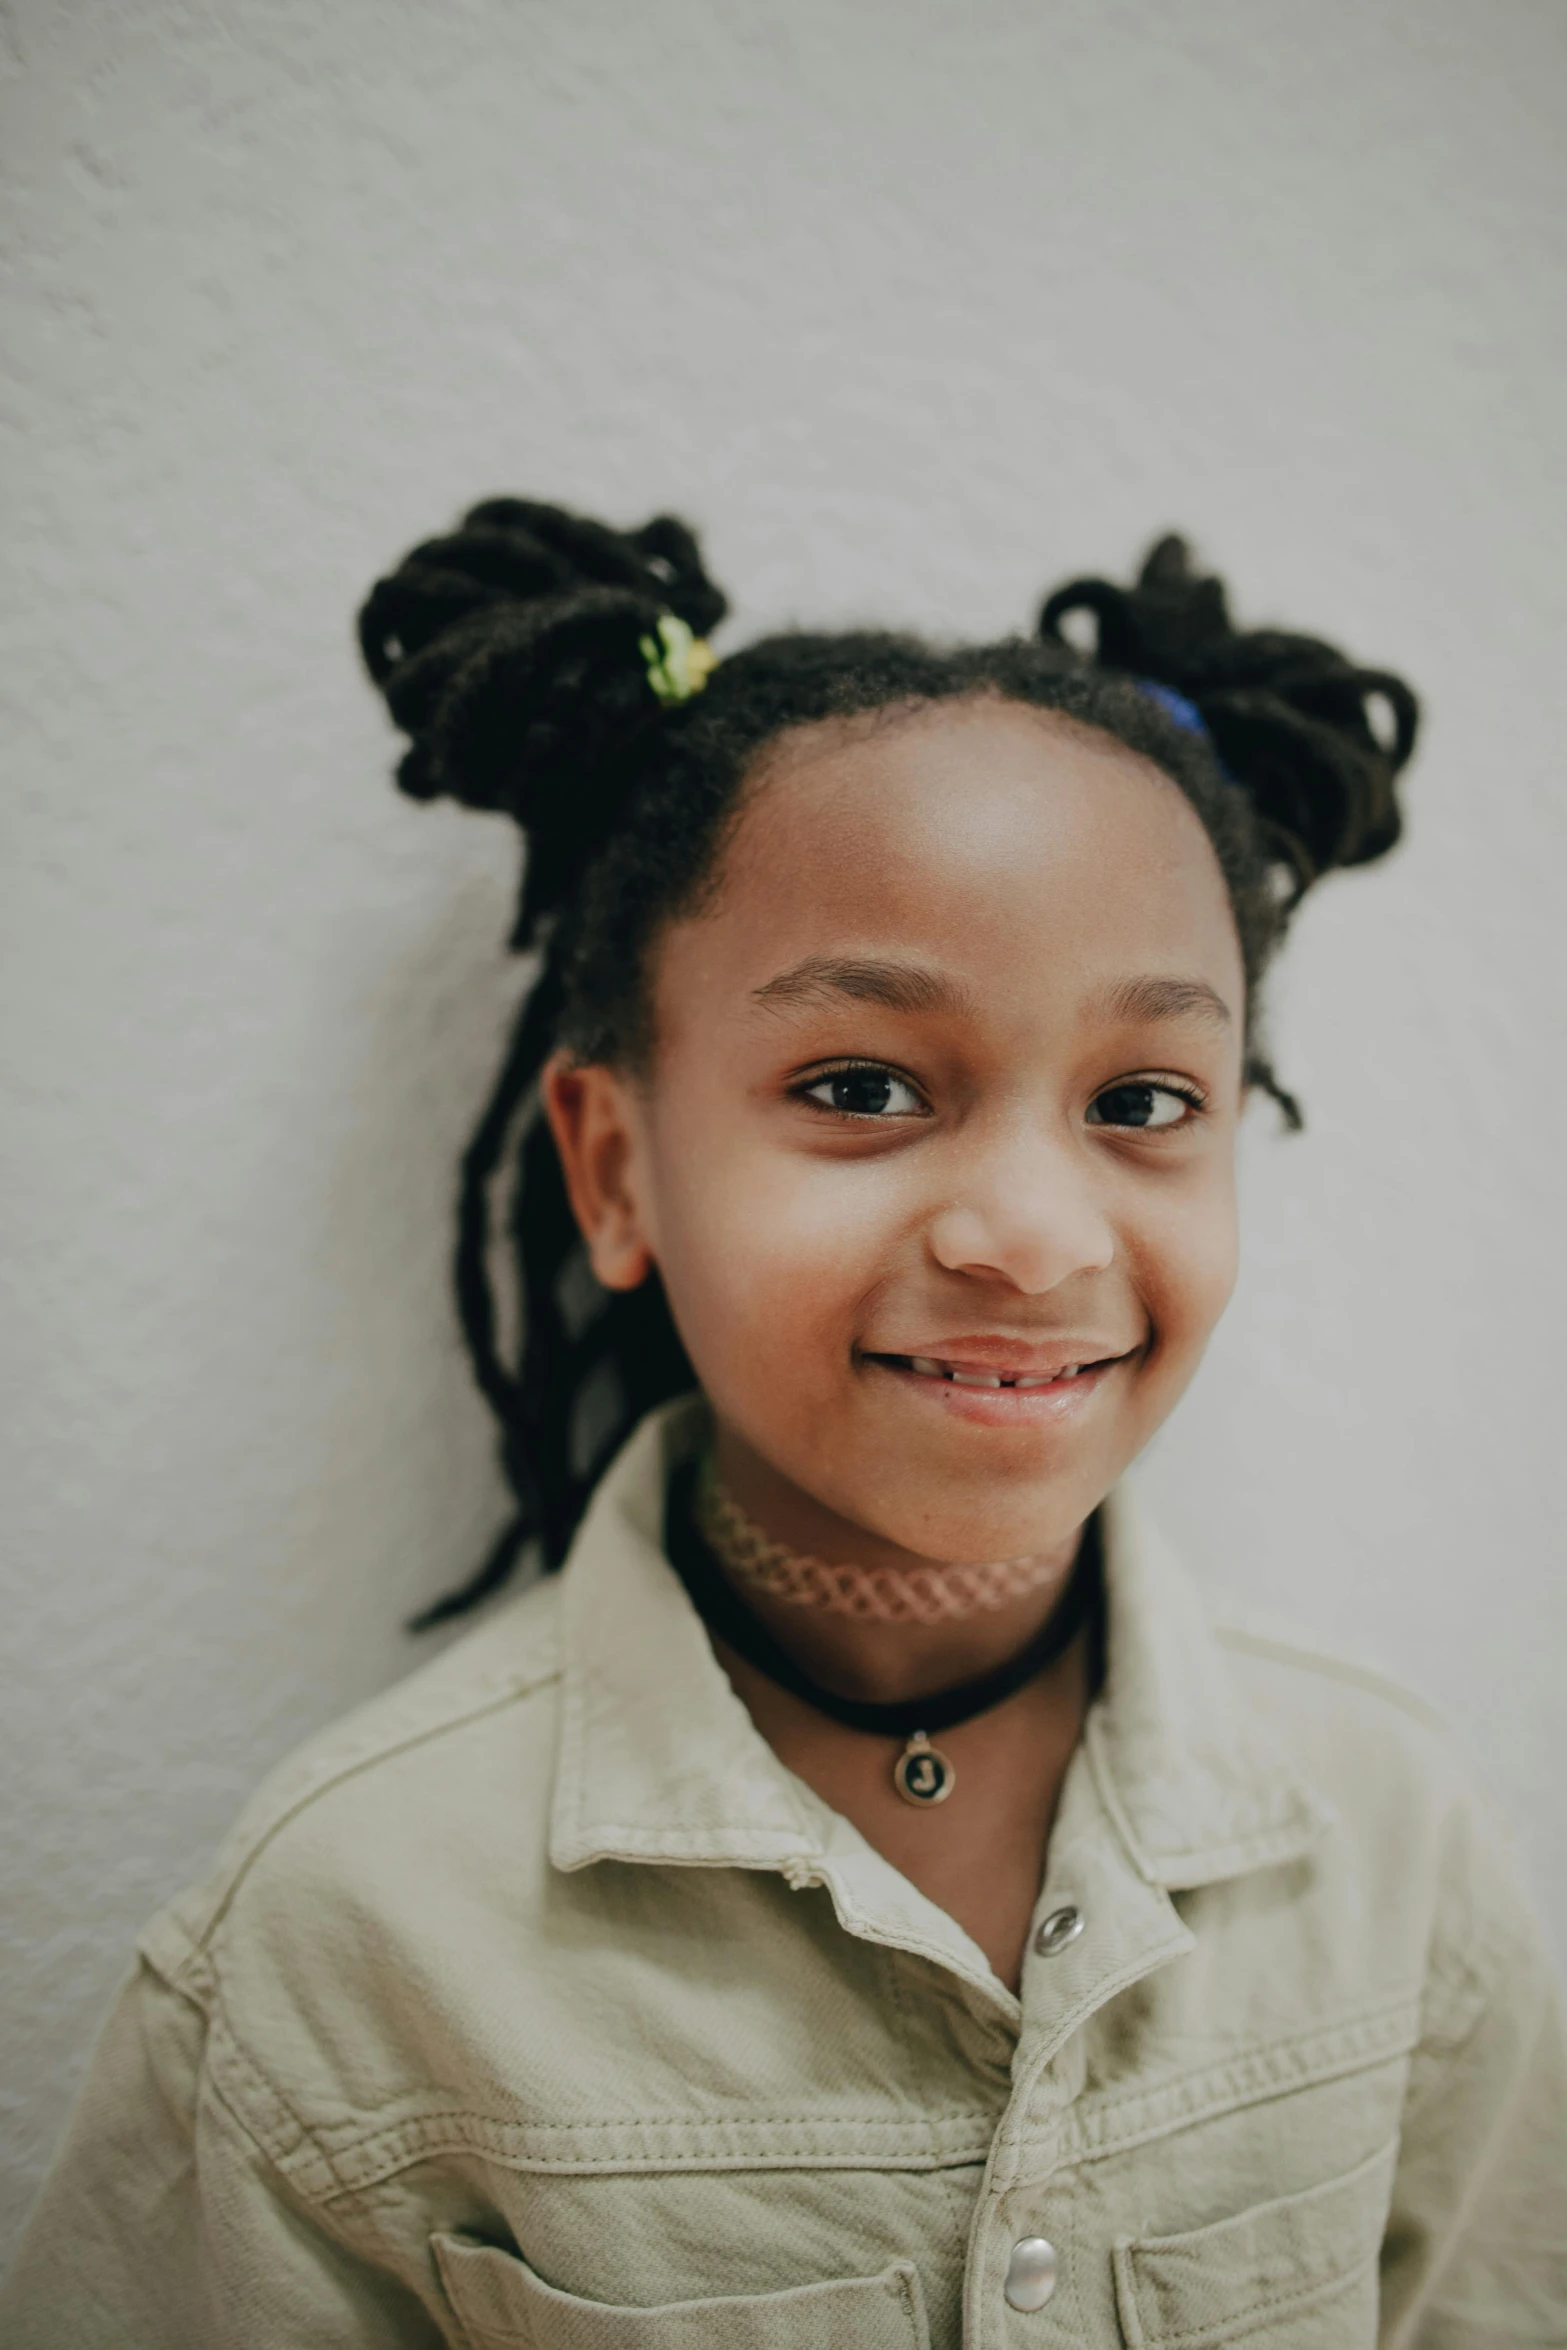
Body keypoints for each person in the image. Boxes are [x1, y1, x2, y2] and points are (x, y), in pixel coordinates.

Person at [5, 504, 1562, 2347]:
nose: (1033, 1234)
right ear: (614, 1165)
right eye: (860, 1084)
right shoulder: (350, 1944)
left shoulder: (1392, 1842)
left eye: (1143, 1095)